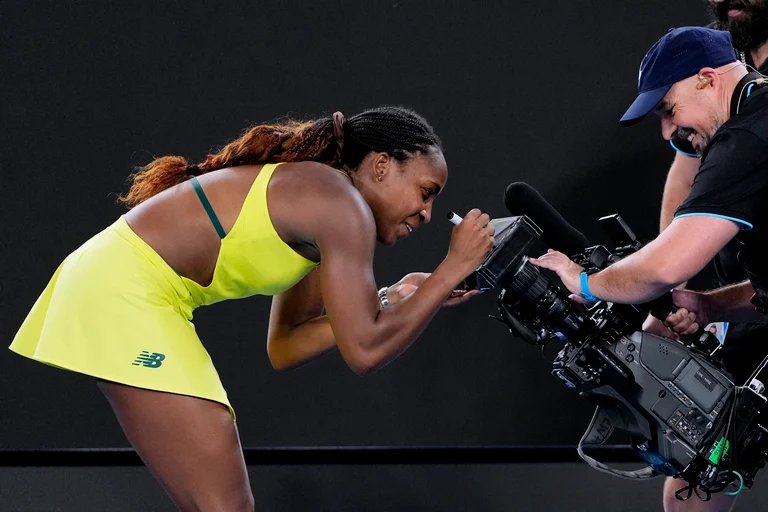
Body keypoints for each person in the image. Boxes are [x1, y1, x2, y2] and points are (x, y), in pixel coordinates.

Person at [9, 106, 495, 511]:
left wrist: (390, 298)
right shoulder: (340, 205)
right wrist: (451, 270)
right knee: (227, 507)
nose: (427, 213)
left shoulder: (324, 206)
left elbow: (286, 346)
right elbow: (365, 352)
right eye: (426, 192)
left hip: (113, 284)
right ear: (382, 165)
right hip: (121, 291)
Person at [528, 26, 768, 510]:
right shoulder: (744, 118)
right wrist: (703, 304)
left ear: (706, 79)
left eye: (667, 110)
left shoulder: (748, 135)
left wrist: (584, 281)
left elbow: (665, 265)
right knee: (691, 485)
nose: (666, 131)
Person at [644, 2, 768, 510]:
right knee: (693, 482)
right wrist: (674, 291)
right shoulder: (724, 81)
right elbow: (685, 191)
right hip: (751, 298)